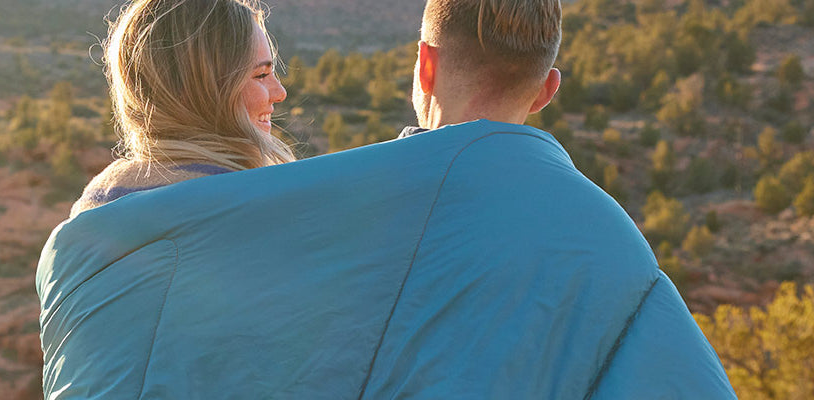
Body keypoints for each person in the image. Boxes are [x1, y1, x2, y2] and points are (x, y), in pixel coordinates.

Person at [36, 0, 737, 398]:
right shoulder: (307, 226)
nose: (279, 92)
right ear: (548, 90)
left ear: (424, 65)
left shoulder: (82, 241)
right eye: (259, 75)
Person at [68, 0, 295, 217]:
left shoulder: (93, 208)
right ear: (199, 88)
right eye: (261, 75)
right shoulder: (260, 208)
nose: (280, 93)